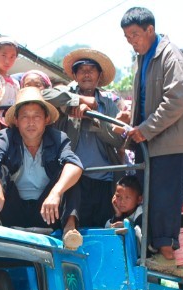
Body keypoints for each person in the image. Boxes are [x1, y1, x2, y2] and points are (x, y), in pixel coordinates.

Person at [120, 7, 183, 277]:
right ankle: (157, 251)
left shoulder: (171, 56)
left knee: (163, 198)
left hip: (167, 142)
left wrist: (146, 129)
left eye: (135, 35)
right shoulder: (143, 58)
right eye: (127, 37)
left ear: (150, 30)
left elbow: (176, 101)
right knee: (150, 196)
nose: (132, 41)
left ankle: (167, 255)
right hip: (148, 141)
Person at [0, 87, 84, 250]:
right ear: (16, 121)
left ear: (46, 119)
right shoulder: (6, 136)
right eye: (25, 116)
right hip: (11, 208)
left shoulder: (58, 138)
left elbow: (75, 165)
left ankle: (70, 229)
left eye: (37, 116)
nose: (31, 122)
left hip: (47, 212)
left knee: (69, 174)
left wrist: (56, 193)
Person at [47, 48, 123, 228]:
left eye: (92, 70)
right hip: (73, 179)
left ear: (99, 75)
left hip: (104, 179)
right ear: (74, 75)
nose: (87, 74)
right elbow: (45, 95)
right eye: (82, 70)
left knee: (101, 231)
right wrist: (80, 101)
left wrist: (94, 118)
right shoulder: (64, 94)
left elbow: (118, 140)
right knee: (72, 233)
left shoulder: (109, 104)